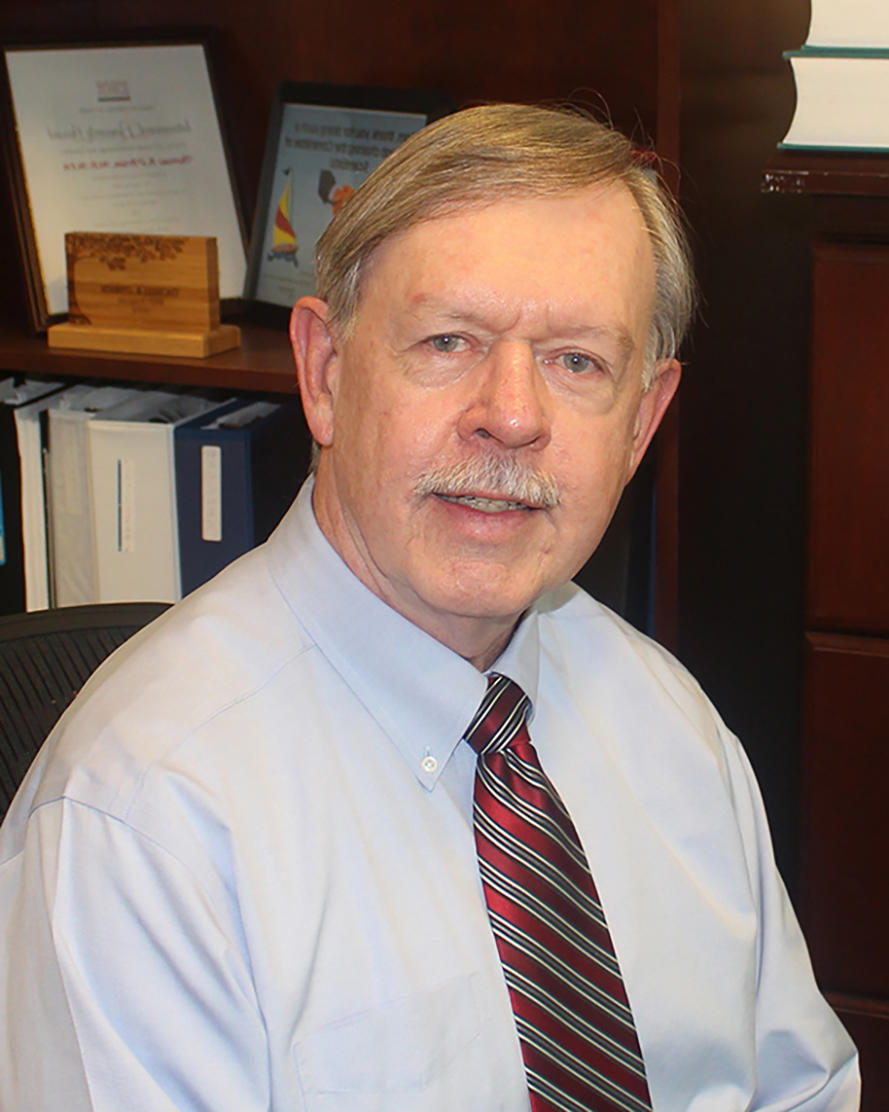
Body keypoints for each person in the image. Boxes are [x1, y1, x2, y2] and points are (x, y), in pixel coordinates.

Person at [0, 104, 859, 1111]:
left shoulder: (667, 721)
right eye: (449, 340)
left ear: (641, 421)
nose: (512, 414)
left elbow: (802, 1091)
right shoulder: (141, 821)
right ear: (324, 372)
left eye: (576, 359)